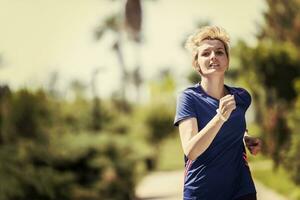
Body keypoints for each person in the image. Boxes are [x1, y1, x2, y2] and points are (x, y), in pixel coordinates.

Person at [174, 26, 262, 200]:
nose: (213, 56)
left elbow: (235, 125)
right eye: (206, 53)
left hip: (242, 190)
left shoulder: (242, 97)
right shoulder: (188, 98)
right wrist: (220, 117)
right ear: (196, 63)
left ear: (227, 61)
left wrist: (245, 137)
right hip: (202, 192)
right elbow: (191, 150)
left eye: (219, 52)